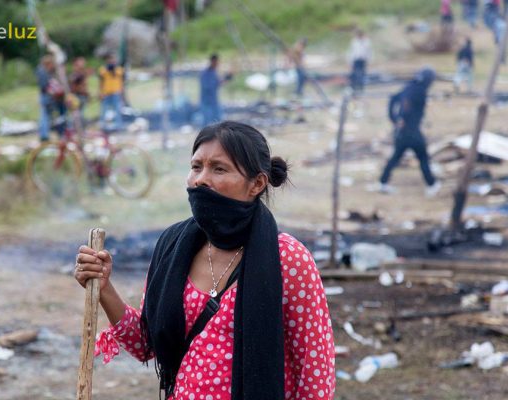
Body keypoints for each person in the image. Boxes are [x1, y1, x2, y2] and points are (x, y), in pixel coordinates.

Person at [73, 120, 336, 400]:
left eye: (218, 168)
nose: (200, 179)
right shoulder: (173, 247)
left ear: (256, 184)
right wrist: (104, 288)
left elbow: (315, 378)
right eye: (196, 167)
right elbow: (146, 345)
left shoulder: (288, 259)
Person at [378, 68, 441, 197]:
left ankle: (383, 182)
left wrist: (395, 119)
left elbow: (394, 99)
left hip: (403, 132)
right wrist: (399, 119)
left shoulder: (409, 87)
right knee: (423, 158)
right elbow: (406, 105)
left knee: (396, 157)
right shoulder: (419, 91)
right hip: (411, 132)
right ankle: (432, 184)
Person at [36, 54, 67, 142]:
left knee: (48, 116)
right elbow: (45, 86)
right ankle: (44, 135)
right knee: (45, 116)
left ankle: (46, 134)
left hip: (49, 97)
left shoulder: (47, 72)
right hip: (47, 97)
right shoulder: (43, 72)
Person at [199, 54, 232, 126]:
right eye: (216, 62)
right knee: (207, 123)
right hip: (206, 102)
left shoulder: (214, 73)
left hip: (214, 101)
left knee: (218, 123)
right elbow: (209, 86)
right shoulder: (205, 73)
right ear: (212, 61)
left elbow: (218, 83)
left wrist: (227, 78)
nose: (217, 64)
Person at [98, 53, 125, 132]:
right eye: (110, 59)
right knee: (104, 110)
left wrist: (121, 92)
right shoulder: (103, 70)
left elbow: (121, 81)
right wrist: (100, 92)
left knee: (117, 109)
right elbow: (101, 82)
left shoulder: (119, 69)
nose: (112, 61)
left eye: (113, 59)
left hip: (116, 92)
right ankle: (103, 126)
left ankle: (118, 126)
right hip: (106, 93)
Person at [347, 29, 372, 94]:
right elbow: (352, 52)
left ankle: (361, 88)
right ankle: (353, 88)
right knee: (354, 73)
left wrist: (369, 60)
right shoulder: (354, 42)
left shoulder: (366, 41)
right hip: (356, 60)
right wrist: (350, 61)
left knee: (362, 73)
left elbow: (369, 51)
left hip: (363, 60)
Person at [69, 57, 91, 125]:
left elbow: (84, 85)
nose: (83, 64)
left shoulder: (81, 73)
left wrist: (87, 94)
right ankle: (76, 127)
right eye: (81, 63)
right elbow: (74, 83)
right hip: (77, 95)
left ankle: (79, 127)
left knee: (80, 112)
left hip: (82, 95)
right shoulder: (76, 74)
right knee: (77, 113)